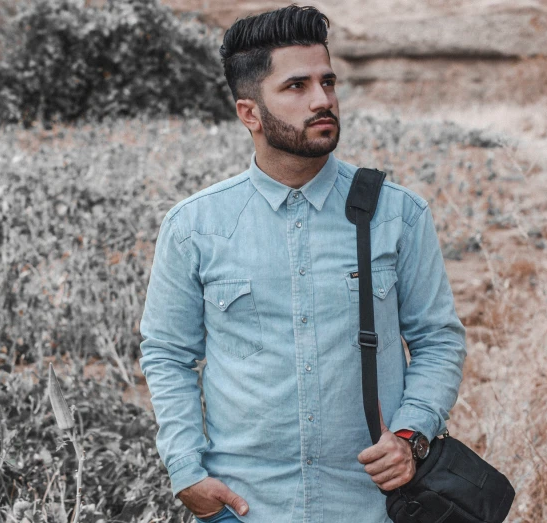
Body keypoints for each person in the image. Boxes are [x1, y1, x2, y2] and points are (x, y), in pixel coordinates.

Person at [138, 5, 466, 523]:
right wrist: (186, 471)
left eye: (328, 82)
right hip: (244, 508)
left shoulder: (397, 213)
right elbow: (168, 354)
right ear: (250, 113)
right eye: (297, 86)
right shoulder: (194, 226)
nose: (323, 100)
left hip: (375, 507)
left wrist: (411, 435)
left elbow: (438, 338)